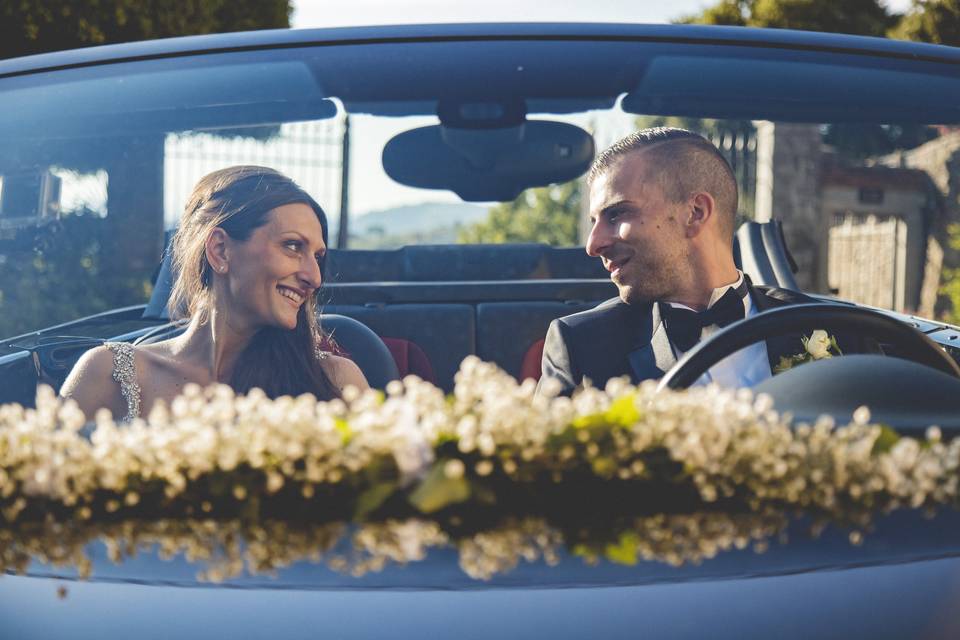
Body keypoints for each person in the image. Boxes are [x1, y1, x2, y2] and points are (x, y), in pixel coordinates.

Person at [61, 166, 367, 420]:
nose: (314, 277)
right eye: (292, 246)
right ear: (220, 249)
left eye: (318, 256)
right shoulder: (108, 373)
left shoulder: (336, 382)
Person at [537, 127, 813, 396]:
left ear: (695, 212)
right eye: (595, 222)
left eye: (617, 214)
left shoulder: (831, 324)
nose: (593, 245)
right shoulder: (582, 346)